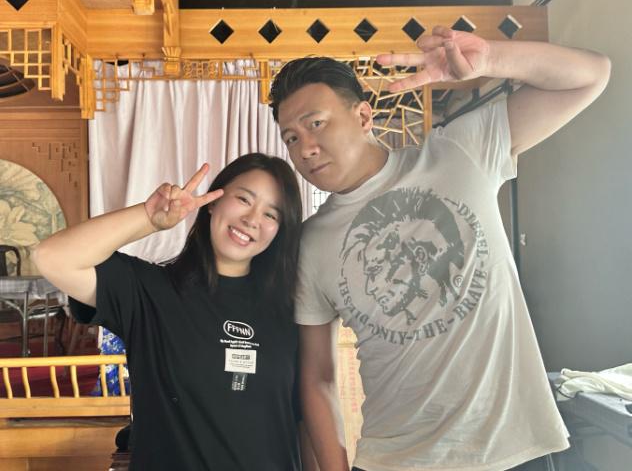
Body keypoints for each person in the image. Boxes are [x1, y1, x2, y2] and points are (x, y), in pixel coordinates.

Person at [269, 26, 611, 471]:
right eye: (291, 138)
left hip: (512, 450)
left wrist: (492, 60)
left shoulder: (458, 152)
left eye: (315, 123)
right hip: (393, 460)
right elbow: (317, 376)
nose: (306, 149)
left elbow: (591, 75)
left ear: (364, 116)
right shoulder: (311, 242)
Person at [33, 153, 308, 470]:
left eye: (271, 214)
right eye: (244, 199)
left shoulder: (290, 310)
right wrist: (148, 218)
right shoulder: (151, 291)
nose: (252, 219)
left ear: (280, 231)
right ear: (212, 202)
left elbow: (302, 420)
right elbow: (52, 257)